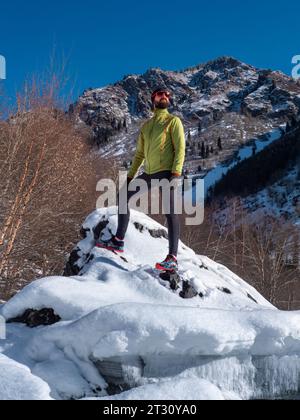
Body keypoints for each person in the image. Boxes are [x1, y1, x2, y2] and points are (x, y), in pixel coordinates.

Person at [96, 87, 186, 271]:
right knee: (123, 198)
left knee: (169, 211)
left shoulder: (173, 121)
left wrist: (176, 174)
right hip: (150, 173)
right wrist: (130, 177)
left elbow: (180, 149)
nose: (165, 97)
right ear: (153, 100)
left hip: (167, 172)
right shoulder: (146, 126)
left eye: (167, 95)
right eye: (161, 95)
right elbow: (139, 156)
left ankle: (172, 258)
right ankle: (118, 241)